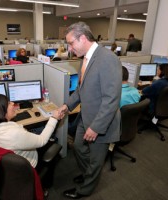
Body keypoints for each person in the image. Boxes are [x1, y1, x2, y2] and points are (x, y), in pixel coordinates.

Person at [57, 22, 122, 199]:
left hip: (101, 122)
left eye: (71, 43)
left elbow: (111, 99)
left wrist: (96, 127)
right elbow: (81, 89)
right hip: (86, 117)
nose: (69, 49)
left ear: (83, 38)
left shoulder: (107, 59)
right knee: (78, 147)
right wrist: (67, 106)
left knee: (95, 160)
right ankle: (89, 175)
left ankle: (85, 189)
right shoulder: (85, 58)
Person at [0, 94, 62, 168]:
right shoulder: (14, 134)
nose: (12, 103)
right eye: (8, 103)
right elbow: (42, 140)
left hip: (9, 167)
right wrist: (54, 118)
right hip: (28, 165)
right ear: (1, 113)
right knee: (51, 142)